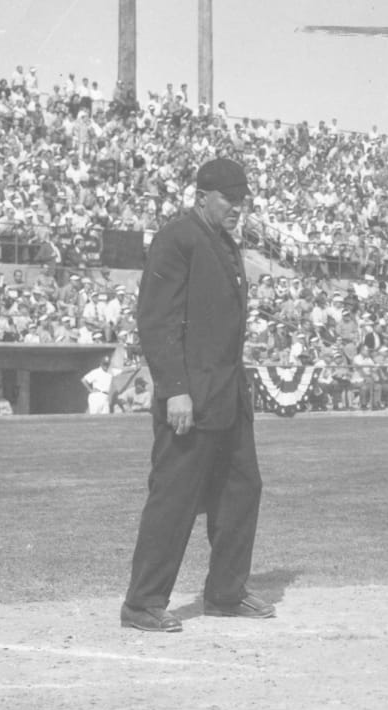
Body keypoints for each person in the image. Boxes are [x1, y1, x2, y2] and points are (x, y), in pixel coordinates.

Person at [122, 158, 274, 633]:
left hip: (227, 394)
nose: (236, 208)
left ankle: (226, 593)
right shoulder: (178, 238)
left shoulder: (223, 243)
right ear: (202, 195)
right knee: (175, 497)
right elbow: (156, 320)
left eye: (241, 200)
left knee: (242, 490)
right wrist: (175, 391)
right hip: (190, 397)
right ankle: (143, 602)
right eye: (228, 199)